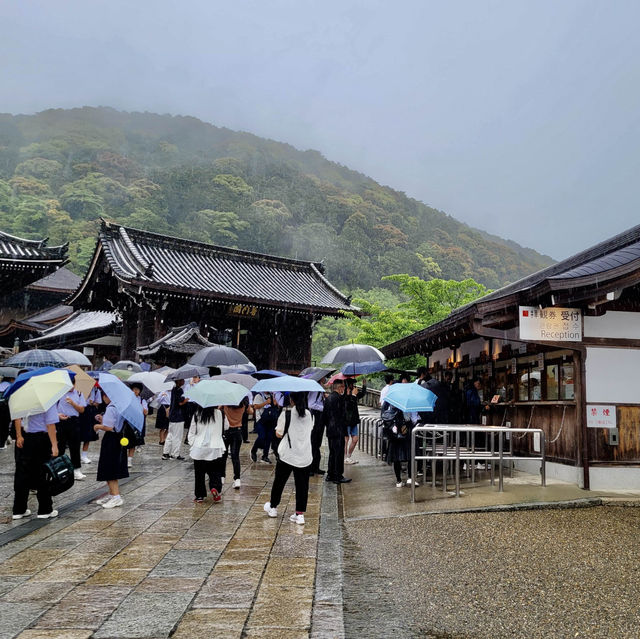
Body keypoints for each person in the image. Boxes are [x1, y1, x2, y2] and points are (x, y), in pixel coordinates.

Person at [263, 391, 313, 524]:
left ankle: (273, 507)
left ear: (292, 400)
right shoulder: (309, 415)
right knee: (302, 485)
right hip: (304, 456)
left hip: (288, 455)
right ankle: (300, 514)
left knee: (279, 481)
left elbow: (279, 434)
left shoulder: (287, 414)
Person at [12, 405, 60, 520]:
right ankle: (45, 509)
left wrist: (19, 436)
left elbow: (17, 418)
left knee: (22, 473)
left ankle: (18, 510)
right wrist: (54, 445)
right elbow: (50, 425)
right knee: (42, 473)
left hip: (25, 438)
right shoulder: (47, 402)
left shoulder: (23, 400)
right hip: (41, 439)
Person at [93, 390, 128, 508]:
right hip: (118, 438)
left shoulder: (111, 408)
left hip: (111, 439)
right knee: (109, 466)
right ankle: (112, 494)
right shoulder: (119, 406)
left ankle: (116, 496)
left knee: (110, 468)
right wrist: (102, 419)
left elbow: (109, 427)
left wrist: (98, 426)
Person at [188, 405, 225, 503]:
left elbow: (192, 430)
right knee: (215, 471)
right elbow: (225, 427)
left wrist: (192, 442)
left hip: (199, 447)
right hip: (214, 446)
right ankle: (215, 487)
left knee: (199, 473)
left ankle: (199, 495)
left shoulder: (197, 414)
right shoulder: (219, 413)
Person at [56, 379, 87, 481]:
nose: (72, 387)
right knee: (60, 446)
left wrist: (73, 403)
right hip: (61, 421)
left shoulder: (78, 393)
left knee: (75, 445)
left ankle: (76, 469)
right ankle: (58, 469)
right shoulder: (58, 393)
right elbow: (52, 408)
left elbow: (82, 410)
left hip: (74, 421)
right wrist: (58, 416)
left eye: (73, 385)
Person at [382, 403, 418, 488]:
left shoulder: (392, 403)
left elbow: (383, 412)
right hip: (406, 435)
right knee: (410, 456)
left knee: (396, 458)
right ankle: (410, 478)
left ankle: (398, 480)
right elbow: (413, 420)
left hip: (394, 436)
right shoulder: (408, 406)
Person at [323, 379, 351, 484]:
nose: (343, 389)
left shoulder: (329, 398)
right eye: (343, 387)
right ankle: (338, 475)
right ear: (339, 388)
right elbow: (343, 415)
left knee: (332, 453)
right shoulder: (339, 399)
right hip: (338, 429)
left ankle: (330, 474)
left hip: (330, 429)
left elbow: (324, 416)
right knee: (339, 453)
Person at [223, 396, 252, 488]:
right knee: (235, 457)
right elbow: (251, 412)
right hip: (238, 431)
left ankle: (222, 477)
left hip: (226, 431)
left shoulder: (225, 404)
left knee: (223, 455)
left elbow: (218, 409)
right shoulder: (243, 405)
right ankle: (237, 479)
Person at [162, 380, 187, 461]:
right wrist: (186, 400)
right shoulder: (180, 390)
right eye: (182, 380)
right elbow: (180, 403)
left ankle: (166, 453)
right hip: (178, 416)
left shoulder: (173, 389)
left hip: (172, 415)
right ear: (179, 381)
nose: (183, 381)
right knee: (178, 436)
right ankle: (175, 454)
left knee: (170, 435)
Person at [251, 393, 278, 464]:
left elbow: (274, 407)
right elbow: (255, 406)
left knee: (268, 438)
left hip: (270, 419)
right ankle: (254, 449)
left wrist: (275, 403)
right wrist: (266, 402)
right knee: (262, 436)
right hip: (260, 420)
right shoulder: (259, 396)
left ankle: (265, 456)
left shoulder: (272, 396)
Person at [344, 377, 366, 465]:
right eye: (351, 384)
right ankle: (345, 457)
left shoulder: (354, 393)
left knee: (355, 439)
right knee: (346, 439)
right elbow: (348, 406)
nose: (353, 386)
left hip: (354, 420)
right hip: (346, 420)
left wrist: (364, 385)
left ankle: (349, 456)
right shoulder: (344, 395)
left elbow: (362, 394)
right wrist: (352, 395)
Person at [127, 383, 148, 468]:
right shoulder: (128, 399)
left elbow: (145, 412)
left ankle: (129, 460)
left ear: (139, 391)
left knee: (133, 443)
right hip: (127, 424)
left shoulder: (142, 400)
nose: (135, 391)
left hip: (137, 424)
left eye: (137, 389)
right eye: (134, 389)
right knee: (124, 442)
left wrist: (139, 406)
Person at [307, 384, 326, 475]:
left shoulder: (320, 390)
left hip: (320, 419)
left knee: (317, 443)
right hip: (316, 417)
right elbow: (311, 404)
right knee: (313, 443)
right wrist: (323, 408)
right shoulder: (315, 390)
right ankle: (310, 468)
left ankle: (316, 467)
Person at [81, 383, 101, 464]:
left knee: (88, 435)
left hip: (90, 412)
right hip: (81, 411)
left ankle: (84, 455)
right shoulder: (79, 390)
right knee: (78, 434)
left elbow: (98, 402)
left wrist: (93, 403)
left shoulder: (96, 390)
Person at [0, 373, 15, 449]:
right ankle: (2, 444)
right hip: (6, 409)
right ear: (11, 379)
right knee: (5, 426)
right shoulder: (11, 386)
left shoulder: (0, 385)